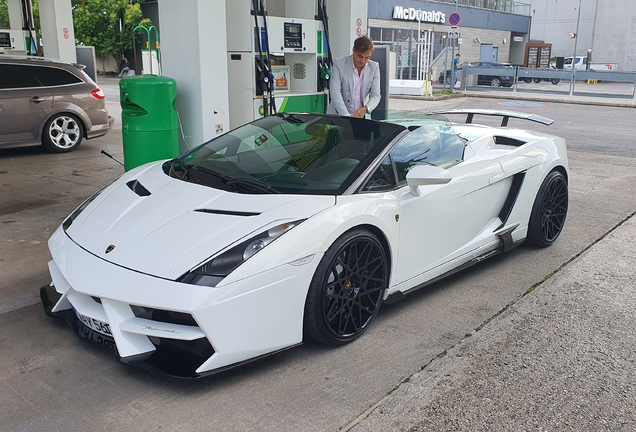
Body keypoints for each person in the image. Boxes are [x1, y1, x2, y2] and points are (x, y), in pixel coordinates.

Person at [327, 36, 381, 118]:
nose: (363, 61)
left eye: (367, 57)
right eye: (360, 56)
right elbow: (335, 92)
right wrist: (346, 116)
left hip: (361, 117)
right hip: (338, 116)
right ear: (353, 50)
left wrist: (366, 109)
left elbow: (376, 95)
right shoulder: (339, 64)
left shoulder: (374, 67)